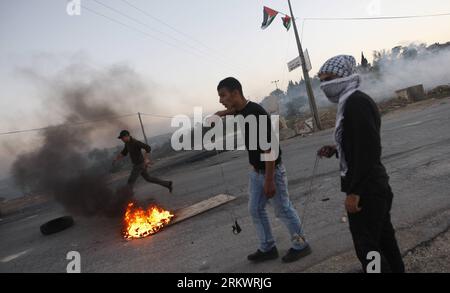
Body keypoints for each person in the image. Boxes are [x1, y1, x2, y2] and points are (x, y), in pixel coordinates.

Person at [317, 55, 405, 273]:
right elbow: (359, 143)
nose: (325, 85)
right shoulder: (351, 101)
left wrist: (354, 192)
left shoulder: (355, 103)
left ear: (345, 77)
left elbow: (369, 151)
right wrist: (337, 149)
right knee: (384, 240)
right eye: (321, 80)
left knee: (367, 249)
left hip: (367, 190)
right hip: (374, 186)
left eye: (329, 78)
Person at [215, 77, 311, 263]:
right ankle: (268, 248)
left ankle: (301, 245)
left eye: (223, 95)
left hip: (270, 171)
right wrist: (221, 113)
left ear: (235, 93)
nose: (220, 100)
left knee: (283, 209)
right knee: (255, 210)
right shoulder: (242, 110)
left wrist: (269, 180)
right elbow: (234, 110)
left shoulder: (255, 114)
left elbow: (269, 150)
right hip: (256, 172)